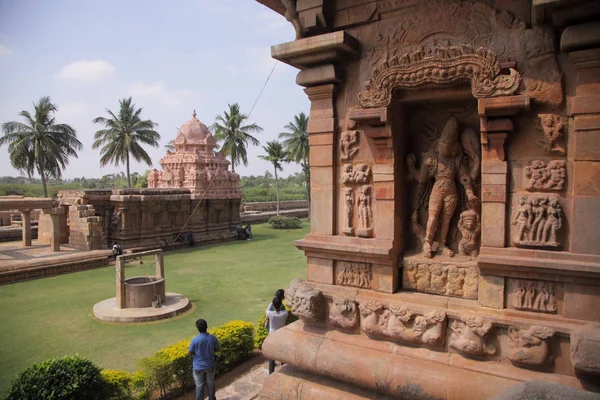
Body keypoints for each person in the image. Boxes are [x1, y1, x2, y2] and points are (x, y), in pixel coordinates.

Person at [188, 319, 220, 400]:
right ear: (206, 327)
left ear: (198, 328)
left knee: (199, 385)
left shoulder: (195, 339)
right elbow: (217, 349)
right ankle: (212, 398)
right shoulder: (213, 338)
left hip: (198, 367)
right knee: (211, 383)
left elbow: (190, 352)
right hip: (210, 365)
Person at [266, 297, 288, 374]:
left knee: (272, 356)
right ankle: (284, 368)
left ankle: (271, 373)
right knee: (282, 352)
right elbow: (284, 309)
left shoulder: (270, 314)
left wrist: (272, 302)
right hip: (281, 335)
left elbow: (268, 309)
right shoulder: (285, 313)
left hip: (272, 336)